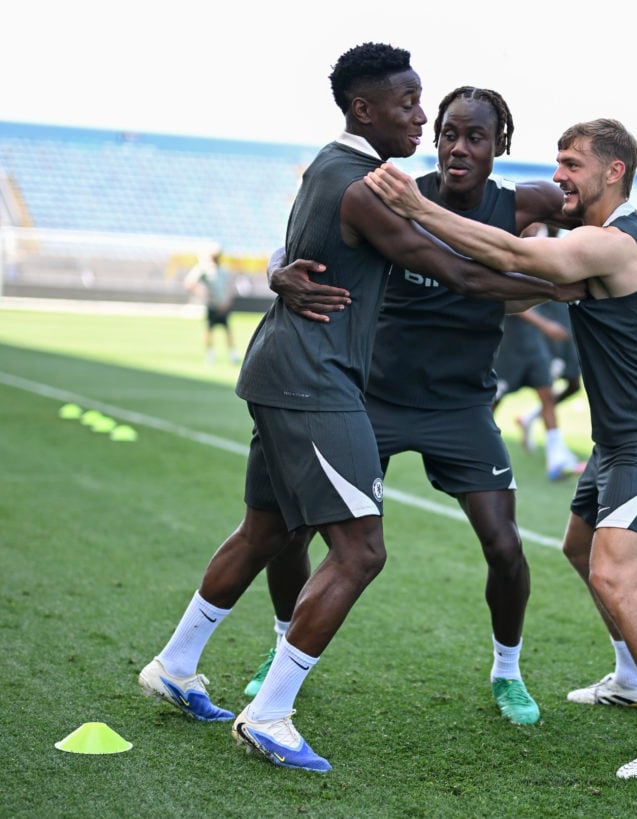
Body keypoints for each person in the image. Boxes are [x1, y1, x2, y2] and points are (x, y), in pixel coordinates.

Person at [137, 44, 588, 773]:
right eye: (413, 107)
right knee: (360, 550)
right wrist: (572, 285)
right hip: (319, 382)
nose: (423, 120)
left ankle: (175, 664)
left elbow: (309, 249)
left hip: (300, 372)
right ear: (363, 109)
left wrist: (283, 274)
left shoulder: (331, 166)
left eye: (427, 106)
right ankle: (271, 711)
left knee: (263, 529)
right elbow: (453, 270)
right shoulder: (368, 188)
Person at [245, 88, 637, 730]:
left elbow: (618, 239)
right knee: (294, 530)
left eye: (474, 136)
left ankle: (508, 672)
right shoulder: (391, 192)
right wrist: (276, 271)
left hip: (463, 408)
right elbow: (302, 238)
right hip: (375, 399)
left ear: (498, 145)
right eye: (448, 132)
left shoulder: (528, 203)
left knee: (507, 547)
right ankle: (282, 646)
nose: (458, 146)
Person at [366, 118, 637, 780]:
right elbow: (521, 285)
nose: (558, 176)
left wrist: (416, 208)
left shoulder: (610, 243)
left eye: (572, 164)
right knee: (580, 550)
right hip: (618, 441)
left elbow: (519, 258)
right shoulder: (626, 242)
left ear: (615, 172)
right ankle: (632, 677)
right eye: (557, 162)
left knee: (614, 574)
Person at [492, 303, 586, 480]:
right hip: (511, 343)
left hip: (537, 344)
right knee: (492, 400)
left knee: (547, 396)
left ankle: (557, 460)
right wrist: (545, 325)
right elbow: (508, 299)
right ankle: (475, 446)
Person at [184, 247, 239, 364]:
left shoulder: (223, 270)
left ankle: (232, 353)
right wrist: (202, 293)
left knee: (227, 329)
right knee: (209, 330)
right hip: (212, 305)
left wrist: (226, 301)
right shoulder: (204, 269)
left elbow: (230, 287)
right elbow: (189, 282)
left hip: (223, 306)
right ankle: (210, 354)